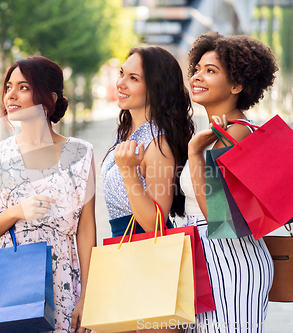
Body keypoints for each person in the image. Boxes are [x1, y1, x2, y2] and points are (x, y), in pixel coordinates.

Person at [0, 56, 96, 333]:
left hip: (64, 284)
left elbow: (86, 229)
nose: (11, 95)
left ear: (49, 98)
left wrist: (88, 295)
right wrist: (16, 212)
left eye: (23, 87)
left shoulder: (81, 153)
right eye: (8, 87)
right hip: (9, 284)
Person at [180, 31, 279, 332]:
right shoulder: (215, 132)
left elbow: (218, 217)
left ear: (237, 85)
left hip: (230, 262)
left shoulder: (235, 135)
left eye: (211, 71)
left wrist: (195, 153)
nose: (197, 76)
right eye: (197, 69)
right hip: (210, 258)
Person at [101, 46, 195, 332]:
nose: (120, 83)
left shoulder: (158, 144)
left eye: (133, 78)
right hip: (126, 257)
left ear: (154, 87)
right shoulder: (129, 134)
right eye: (121, 74)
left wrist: (129, 172)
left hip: (149, 264)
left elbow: (156, 223)